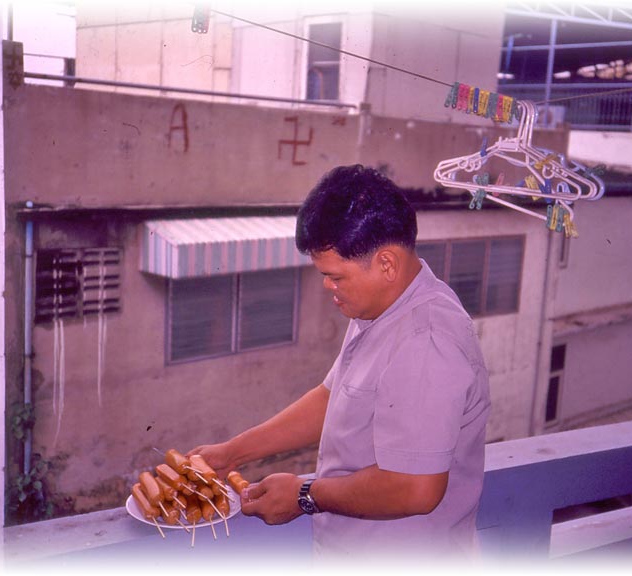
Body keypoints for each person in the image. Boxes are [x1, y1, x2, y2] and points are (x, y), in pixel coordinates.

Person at [188, 164, 490, 561]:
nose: (327, 287)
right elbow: (333, 399)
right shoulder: (379, 306)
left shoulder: (425, 340)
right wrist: (232, 453)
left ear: (386, 264)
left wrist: (303, 495)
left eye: (336, 277)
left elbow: (417, 488)